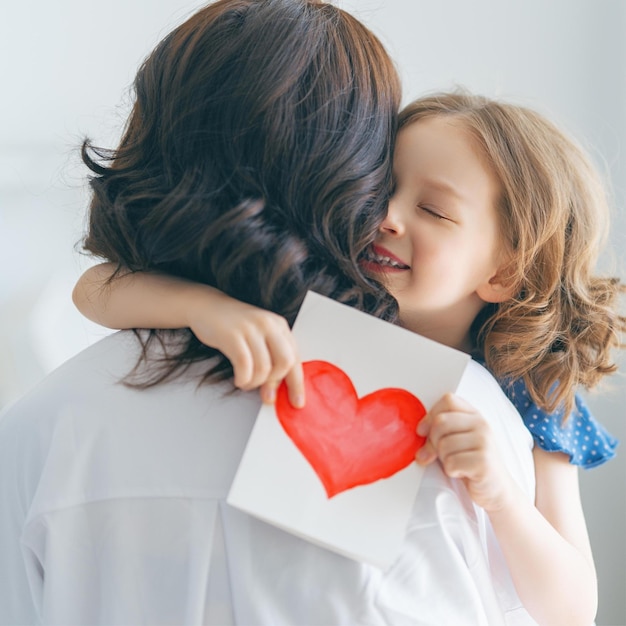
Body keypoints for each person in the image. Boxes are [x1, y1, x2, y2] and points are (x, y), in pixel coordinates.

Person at [74, 90, 626, 626]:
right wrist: (204, 308)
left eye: (432, 210)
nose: (387, 215)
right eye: (379, 189)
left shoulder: (533, 390)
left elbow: (575, 610)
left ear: (504, 273)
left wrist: (503, 498)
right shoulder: (317, 297)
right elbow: (93, 288)